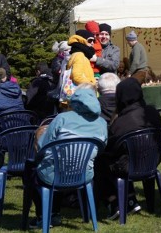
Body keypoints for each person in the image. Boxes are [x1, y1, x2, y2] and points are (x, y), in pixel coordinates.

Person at [24, 84, 108, 228]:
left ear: (74, 101)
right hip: (84, 174)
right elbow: (101, 147)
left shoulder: (62, 118)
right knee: (52, 165)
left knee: (32, 170)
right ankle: (54, 214)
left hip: (55, 175)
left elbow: (43, 146)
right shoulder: (102, 123)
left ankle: (43, 216)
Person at [95, 78, 161, 220]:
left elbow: (111, 146)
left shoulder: (121, 122)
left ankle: (113, 201)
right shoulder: (152, 112)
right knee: (121, 157)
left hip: (130, 165)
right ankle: (131, 200)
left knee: (100, 161)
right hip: (152, 161)